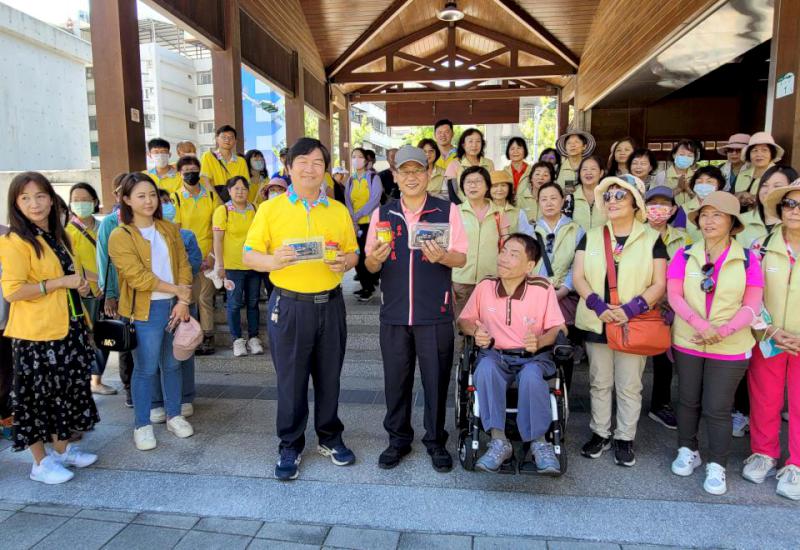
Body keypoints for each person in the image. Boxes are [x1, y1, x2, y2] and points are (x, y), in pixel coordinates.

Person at [243, 138, 359, 481]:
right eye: (303, 162)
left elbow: (353, 254)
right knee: (291, 380)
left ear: (326, 169)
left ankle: (330, 437)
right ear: (289, 167)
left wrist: (345, 262)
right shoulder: (270, 209)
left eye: (318, 163)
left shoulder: (337, 210)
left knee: (329, 377)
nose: (310, 169)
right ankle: (290, 443)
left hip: (331, 305)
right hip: (290, 305)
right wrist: (272, 260)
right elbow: (249, 255)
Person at [364, 145, 467, 472]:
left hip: (434, 313)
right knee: (396, 380)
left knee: (436, 380)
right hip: (393, 313)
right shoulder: (383, 213)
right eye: (404, 171)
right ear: (395, 176)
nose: (411, 177)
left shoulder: (446, 210)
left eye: (417, 171)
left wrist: (443, 257)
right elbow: (368, 263)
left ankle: (436, 441)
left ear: (428, 174)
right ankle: (398, 440)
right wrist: (374, 260)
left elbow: (461, 257)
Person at [0, 171, 99, 484]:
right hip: (35, 335)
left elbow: (70, 276)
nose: (35, 203)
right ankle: (40, 463)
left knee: (69, 392)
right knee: (37, 400)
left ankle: (62, 449)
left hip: (68, 328)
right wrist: (59, 283)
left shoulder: (58, 235)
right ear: (15, 203)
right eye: (25, 197)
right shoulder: (15, 241)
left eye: (41, 196)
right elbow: (13, 291)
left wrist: (79, 287)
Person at [667, 191, 763, 495]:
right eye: (704, 215)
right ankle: (687, 449)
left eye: (717, 215)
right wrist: (700, 325)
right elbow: (675, 295)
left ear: (732, 222)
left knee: (718, 407)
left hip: (731, 345)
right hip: (689, 339)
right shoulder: (684, 254)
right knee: (688, 399)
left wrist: (721, 331)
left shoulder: (748, 259)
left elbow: (753, 305)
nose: (708, 221)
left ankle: (717, 465)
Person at [574, 175, 667, 467]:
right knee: (599, 382)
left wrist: (630, 309)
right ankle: (599, 432)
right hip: (597, 319)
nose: (612, 201)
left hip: (633, 322)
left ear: (635, 203)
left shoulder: (651, 238)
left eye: (620, 196)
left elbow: (659, 283)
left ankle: (625, 437)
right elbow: (578, 276)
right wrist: (597, 304)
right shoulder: (590, 235)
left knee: (629, 384)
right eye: (608, 196)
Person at [458, 233, 567, 473]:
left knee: (531, 377)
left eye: (513, 254)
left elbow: (558, 328)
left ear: (530, 265)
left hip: (533, 358)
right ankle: (499, 441)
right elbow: (464, 320)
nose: (504, 258)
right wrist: (476, 330)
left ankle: (539, 443)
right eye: (504, 251)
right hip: (495, 355)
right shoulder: (486, 285)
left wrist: (539, 341)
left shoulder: (542, 288)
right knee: (485, 370)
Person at [109, 172, 194, 451]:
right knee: (145, 368)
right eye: (141, 196)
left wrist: (183, 300)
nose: (148, 201)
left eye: (152, 195)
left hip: (174, 305)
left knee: (172, 364)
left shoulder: (168, 229)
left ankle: (174, 415)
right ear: (126, 200)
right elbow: (138, 277)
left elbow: (183, 264)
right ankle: (142, 424)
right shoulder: (120, 235)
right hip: (144, 311)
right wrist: (177, 290)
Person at [742, 180, 800, 500]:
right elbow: (750, 294)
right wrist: (771, 330)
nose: (794, 211)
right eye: (789, 204)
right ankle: (764, 452)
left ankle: (797, 464)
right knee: (765, 397)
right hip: (768, 337)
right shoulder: (760, 245)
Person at [152, 189, 202, 421]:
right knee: (150, 355)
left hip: (180, 300)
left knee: (183, 349)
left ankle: (185, 397)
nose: (163, 205)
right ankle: (155, 401)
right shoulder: (137, 235)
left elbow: (191, 266)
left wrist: (178, 293)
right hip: (150, 303)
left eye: (167, 201)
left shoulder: (186, 235)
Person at [643, 186, 689, 430]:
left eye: (664, 205)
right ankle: (626, 403)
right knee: (634, 356)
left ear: (673, 210)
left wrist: (669, 298)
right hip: (639, 302)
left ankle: (660, 405)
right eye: (652, 204)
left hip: (671, 305)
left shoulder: (684, 237)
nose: (657, 209)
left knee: (664, 358)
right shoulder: (635, 233)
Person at [65, 182, 116, 396]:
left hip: (104, 293)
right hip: (82, 292)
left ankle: (96, 379)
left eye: (84, 199)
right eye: (75, 199)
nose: (80, 203)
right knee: (83, 337)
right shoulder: (67, 231)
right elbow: (69, 264)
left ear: (94, 201)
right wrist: (94, 278)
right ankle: (81, 381)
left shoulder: (104, 226)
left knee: (104, 335)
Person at [533, 182, 583, 388]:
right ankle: (539, 389)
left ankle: (562, 391)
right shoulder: (530, 229)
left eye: (554, 198)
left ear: (563, 201)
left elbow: (578, 265)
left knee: (563, 345)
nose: (549, 203)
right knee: (539, 344)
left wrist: (564, 289)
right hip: (535, 297)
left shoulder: (576, 230)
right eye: (544, 199)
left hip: (564, 295)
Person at [173, 155, 221, 355]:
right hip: (186, 259)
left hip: (209, 255)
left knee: (204, 297)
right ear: (180, 174)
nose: (190, 174)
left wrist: (211, 255)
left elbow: (218, 227)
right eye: (186, 171)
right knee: (189, 298)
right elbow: (176, 232)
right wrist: (188, 259)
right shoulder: (175, 198)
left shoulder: (210, 196)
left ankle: (208, 337)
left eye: (194, 170)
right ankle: (190, 337)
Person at [96, 173, 136, 407]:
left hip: (148, 290)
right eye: (124, 191)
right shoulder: (110, 223)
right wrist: (109, 294)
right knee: (126, 341)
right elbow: (105, 261)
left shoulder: (147, 218)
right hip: (121, 292)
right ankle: (129, 387)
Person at [212, 176, 262, 357]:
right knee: (234, 304)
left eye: (243, 188)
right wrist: (220, 264)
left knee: (253, 302)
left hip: (254, 264)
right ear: (229, 190)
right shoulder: (223, 211)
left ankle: (254, 338)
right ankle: (237, 340)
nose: (240, 192)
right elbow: (217, 240)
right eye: (236, 188)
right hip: (233, 266)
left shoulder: (255, 209)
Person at [452, 166, 509, 317]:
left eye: (477, 181)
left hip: (490, 278)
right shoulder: (455, 212)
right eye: (468, 182)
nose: (472, 185)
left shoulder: (499, 212)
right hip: (461, 279)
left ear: (487, 186)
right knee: (461, 322)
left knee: (488, 321)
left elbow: (506, 243)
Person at [346, 147, 383, 302]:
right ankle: (366, 286)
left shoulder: (373, 177)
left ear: (366, 160)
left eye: (359, 156)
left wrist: (358, 214)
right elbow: (348, 200)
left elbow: (375, 199)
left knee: (370, 254)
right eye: (353, 156)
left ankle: (371, 283)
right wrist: (352, 219)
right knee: (358, 255)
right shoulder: (350, 179)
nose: (356, 159)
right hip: (356, 224)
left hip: (371, 223)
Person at [737, 166, 798, 250]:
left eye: (777, 186)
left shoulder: (795, 223)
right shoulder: (739, 220)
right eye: (764, 185)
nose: (768, 191)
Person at [200, 125, 249, 201]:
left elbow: (245, 184)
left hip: (236, 203)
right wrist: (218, 202)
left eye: (231, 137)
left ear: (235, 141)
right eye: (224, 137)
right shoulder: (208, 156)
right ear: (217, 139)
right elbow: (206, 182)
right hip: (214, 202)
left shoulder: (241, 161)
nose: (227, 140)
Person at [445, 128, 495, 202]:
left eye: (478, 141)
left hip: (485, 207)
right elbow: (452, 194)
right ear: (463, 145)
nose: (474, 145)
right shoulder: (454, 165)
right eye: (470, 141)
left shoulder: (489, 163)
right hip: (462, 209)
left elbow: (492, 187)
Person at [682, 166, 726, 243]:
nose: (704, 185)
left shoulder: (727, 207)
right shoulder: (684, 208)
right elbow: (679, 237)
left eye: (709, 182)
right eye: (699, 182)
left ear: (719, 185)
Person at [734, 132, 784, 197]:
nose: (759, 154)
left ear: (772, 153)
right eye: (755, 150)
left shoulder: (779, 175)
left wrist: (755, 199)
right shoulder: (742, 174)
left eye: (764, 150)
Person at [489, 170, 534, 235]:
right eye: (495, 186)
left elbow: (529, 237)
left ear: (509, 188)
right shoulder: (483, 211)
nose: (499, 189)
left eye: (503, 185)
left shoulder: (519, 213)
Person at [570, 155, 607, 231]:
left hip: (603, 242)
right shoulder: (570, 198)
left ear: (601, 173)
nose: (588, 172)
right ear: (579, 173)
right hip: (577, 242)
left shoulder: (609, 197)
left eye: (593, 169)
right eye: (584, 169)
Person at [504, 137, 536, 222]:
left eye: (519, 148)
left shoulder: (533, 171)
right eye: (512, 149)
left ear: (524, 150)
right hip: (510, 214)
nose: (515, 151)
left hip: (530, 214)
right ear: (508, 152)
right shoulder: (503, 173)